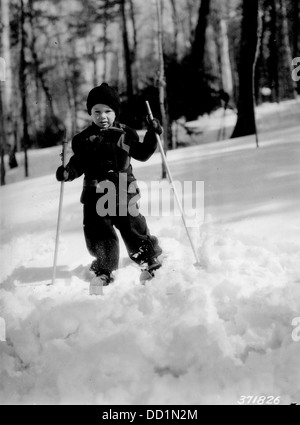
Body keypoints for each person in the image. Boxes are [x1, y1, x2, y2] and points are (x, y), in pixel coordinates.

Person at [56, 83, 163, 290]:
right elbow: (79, 163)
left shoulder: (125, 134)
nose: (102, 116)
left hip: (123, 190)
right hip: (96, 194)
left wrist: (152, 134)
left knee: (133, 226)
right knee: (99, 232)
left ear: (115, 112)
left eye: (108, 111)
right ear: (90, 113)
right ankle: (104, 270)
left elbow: (142, 153)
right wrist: (68, 172)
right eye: (96, 111)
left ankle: (149, 260)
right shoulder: (84, 139)